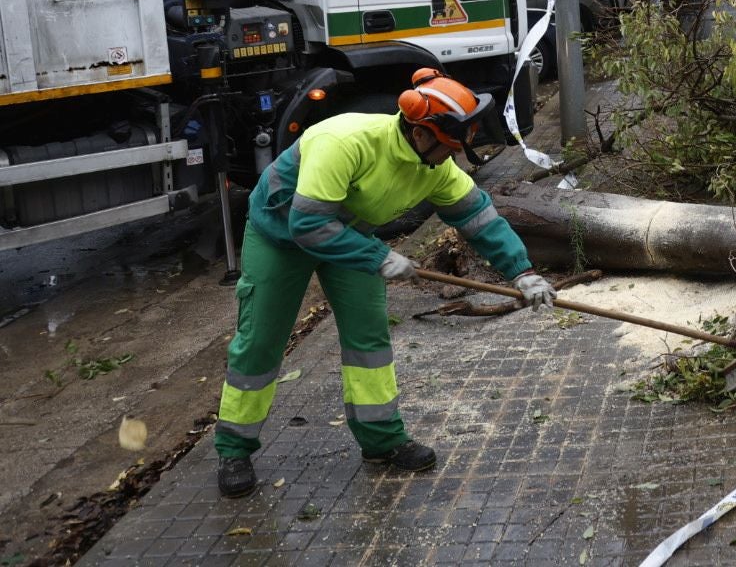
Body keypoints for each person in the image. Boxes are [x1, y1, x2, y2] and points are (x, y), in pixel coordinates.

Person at [214, 69, 556, 498]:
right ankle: (234, 448)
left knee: (368, 341)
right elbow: (309, 226)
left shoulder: (434, 167)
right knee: (261, 339)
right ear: (419, 131)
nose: (451, 157)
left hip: (350, 238)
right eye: (448, 145)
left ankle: (382, 441)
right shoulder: (346, 143)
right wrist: (378, 256)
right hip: (282, 234)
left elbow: (479, 217)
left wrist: (523, 272)